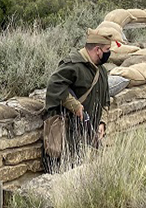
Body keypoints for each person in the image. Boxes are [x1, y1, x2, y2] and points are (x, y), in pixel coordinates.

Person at [43, 26, 114, 171]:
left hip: (88, 133)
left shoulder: (101, 70)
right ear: (98, 50)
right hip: (67, 134)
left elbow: (105, 99)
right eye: (107, 49)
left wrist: (102, 122)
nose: (109, 53)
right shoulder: (73, 64)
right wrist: (74, 105)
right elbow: (54, 85)